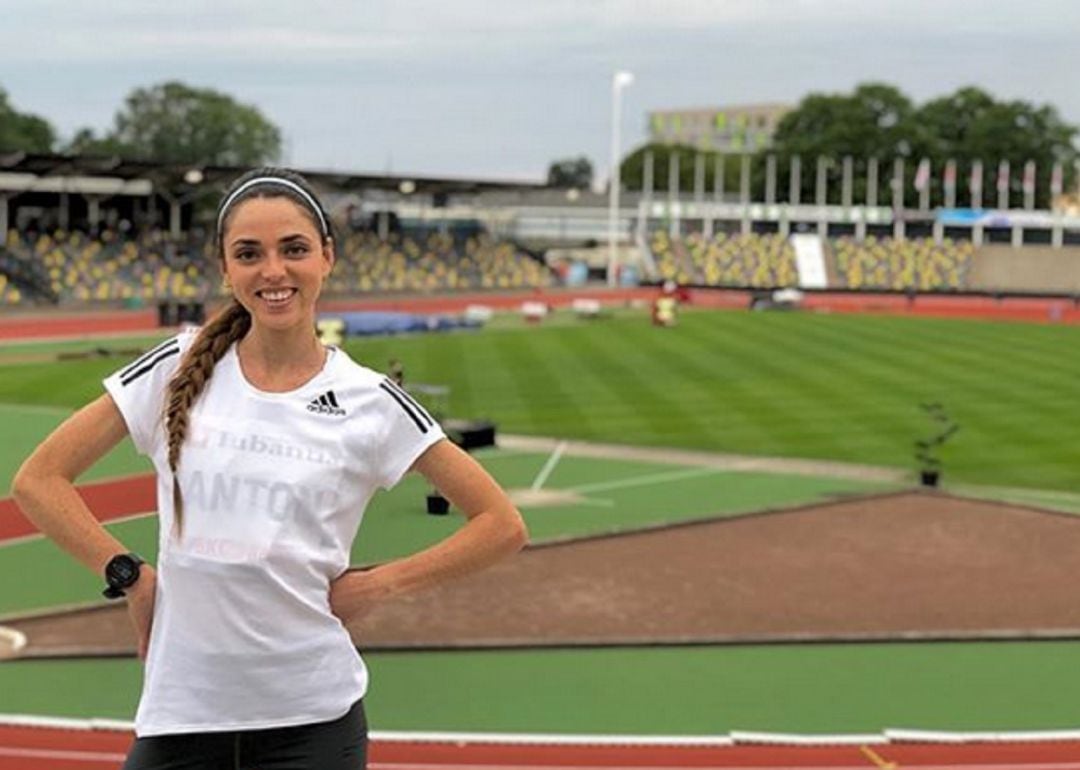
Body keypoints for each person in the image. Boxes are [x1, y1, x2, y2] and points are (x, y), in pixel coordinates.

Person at [11, 168, 529, 770]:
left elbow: (501, 523)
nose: (273, 271)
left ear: (327, 257)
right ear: (226, 269)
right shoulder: (176, 367)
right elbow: (39, 480)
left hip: (313, 722)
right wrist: (130, 574)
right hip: (182, 715)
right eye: (249, 254)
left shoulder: (369, 399)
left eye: (294, 249)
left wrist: (380, 584)